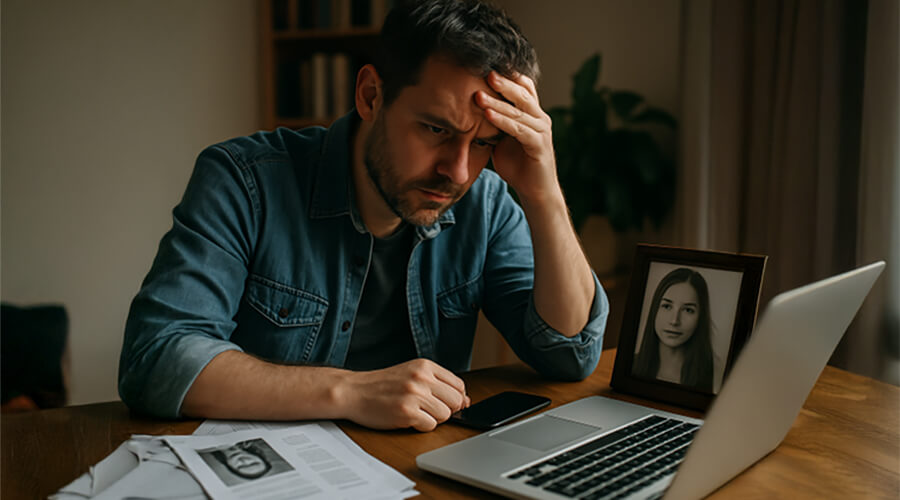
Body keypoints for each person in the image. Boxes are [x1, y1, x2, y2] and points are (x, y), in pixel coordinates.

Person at [118, 0, 608, 432]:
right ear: (371, 95)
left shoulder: (488, 201)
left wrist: (543, 192)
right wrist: (351, 393)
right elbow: (157, 357)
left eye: (483, 143)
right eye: (436, 128)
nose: (457, 171)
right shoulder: (243, 181)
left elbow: (569, 355)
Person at [632, 268, 714, 392]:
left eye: (688, 310)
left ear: (701, 318)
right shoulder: (632, 366)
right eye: (667, 306)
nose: (674, 321)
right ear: (655, 310)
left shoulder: (713, 377)